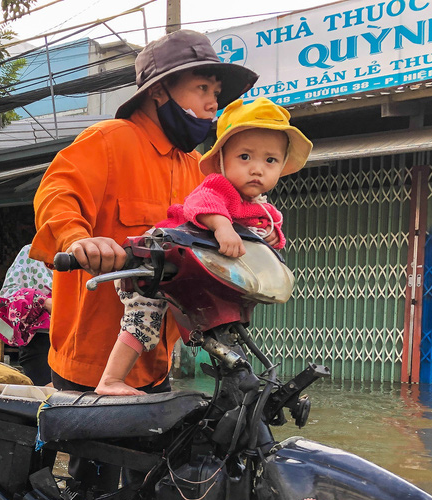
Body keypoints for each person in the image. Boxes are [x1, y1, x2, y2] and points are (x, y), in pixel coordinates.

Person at [31, 29, 258, 395]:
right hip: (89, 362)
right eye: (202, 89)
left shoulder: (198, 169)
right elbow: (57, 194)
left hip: (154, 361)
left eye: (215, 94)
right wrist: (79, 240)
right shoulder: (108, 140)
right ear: (158, 90)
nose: (213, 103)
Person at [96, 98, 312, 395]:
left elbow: (267, 236)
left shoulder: (262, 209)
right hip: (156, 261)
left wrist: (275, 238)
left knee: (225, 334)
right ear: (222, 159)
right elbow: (200, 204)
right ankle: (110, 380)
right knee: (143, 320)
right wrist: (222, 225)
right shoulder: (217, 187)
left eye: (270, 161)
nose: (257, 170)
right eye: (245, 157)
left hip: (200, 277)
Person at [0, 243, 53, 386]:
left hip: (81, 340)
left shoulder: (87, 251)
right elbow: (9, 296)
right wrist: (43, 301)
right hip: (41, 340)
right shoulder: (33, 252)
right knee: (51, 397)